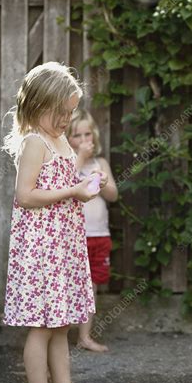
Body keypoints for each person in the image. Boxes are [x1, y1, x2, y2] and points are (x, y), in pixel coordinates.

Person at [2, 62, 108, 383]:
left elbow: (65, 187)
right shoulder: (35, 142)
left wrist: (88, 185)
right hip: (39, 251)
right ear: (36, 106)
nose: (66, 120)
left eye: (70, 112)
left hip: (61, 246)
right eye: (59, 113)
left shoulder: (60, 140)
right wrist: (73, 191)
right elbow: (26, 195)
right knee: (42, 328)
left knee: (60, 325)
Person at [67, 109, 118, 352]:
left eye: (88, 133)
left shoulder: (101, 163)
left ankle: (84, 336)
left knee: (91, 287)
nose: (85, 139)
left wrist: (105, 183)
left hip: (99, 235)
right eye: (77, 135)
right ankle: (57, 337)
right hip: (73, 237)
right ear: (67, 139)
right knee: (67, 286)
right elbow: (65, 186)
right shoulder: (67, 163)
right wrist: (78, 158)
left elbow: (113, 196)